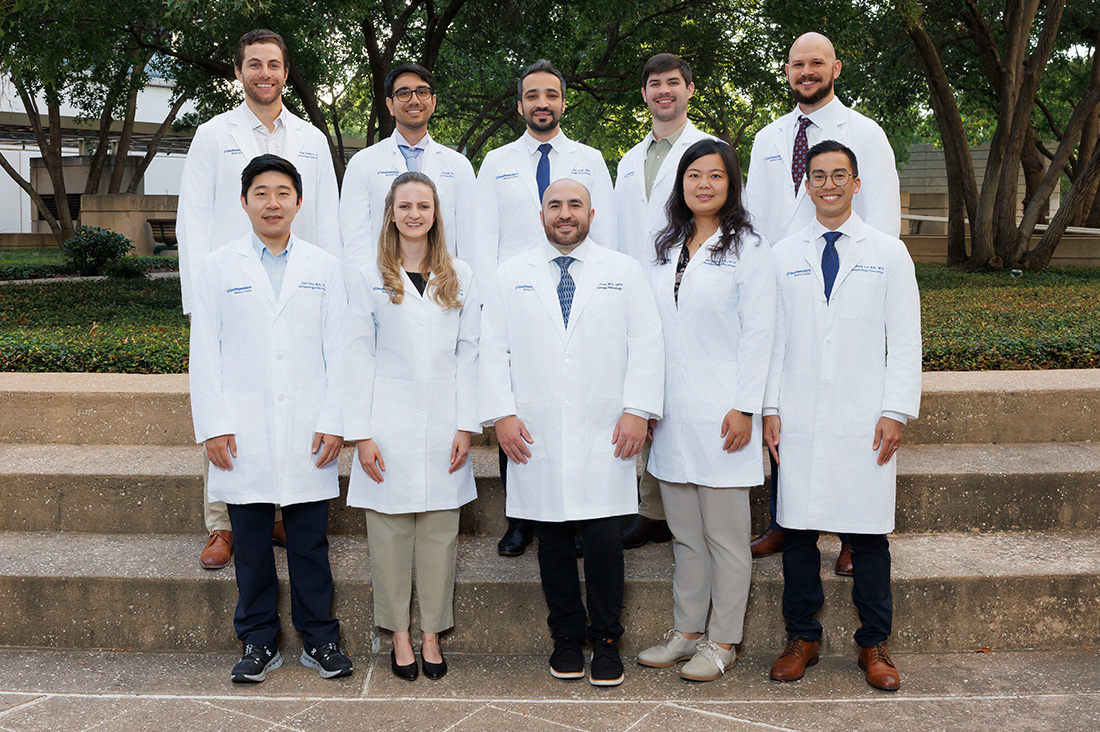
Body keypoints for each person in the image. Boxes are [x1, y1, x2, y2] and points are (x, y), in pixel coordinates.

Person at [479, 178, 663, 687]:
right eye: (554, 205)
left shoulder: (623, 271)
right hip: (534, 428)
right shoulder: (511, 274)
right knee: (553, 540)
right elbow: (491, 349)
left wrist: (638, 409)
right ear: (541, 215)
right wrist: (501, 414)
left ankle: (606, 640)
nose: (565, 213)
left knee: (604, 541)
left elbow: (647, 343)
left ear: (591, 213)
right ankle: (565, 636)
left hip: (606, 429)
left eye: (574, 204)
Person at [177, 29, 342, 570]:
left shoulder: (311, 139)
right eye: (254, 64)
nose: (264, 73)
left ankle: (281, 510)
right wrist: (199, 302)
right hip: (230, 292)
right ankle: (222, 523)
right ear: (239, 72)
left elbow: (328, 221)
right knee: (231, 401)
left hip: (301, 287)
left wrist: (335, 294)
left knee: (292, 395)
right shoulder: (212, 135)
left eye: (273, 64)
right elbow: (192, 221)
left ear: (286, 73)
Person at [762, 140, 921, 692]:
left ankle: (874, 643)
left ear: (856, 183)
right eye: (818, 175)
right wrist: (770, 408)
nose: (828, 184)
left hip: (864, 415)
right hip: (798, 413)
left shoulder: (888, 253)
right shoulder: (782, 255)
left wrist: (895, 410)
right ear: (806, 185)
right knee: (798, 533)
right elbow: (773, 338)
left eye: (839, 175)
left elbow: (905, 339)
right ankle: (801, 637)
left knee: (869, 535)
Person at [188, 154, 353, 683]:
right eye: (261, 193)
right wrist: (213, 425)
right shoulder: (217, 267)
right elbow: (204, 353)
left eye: (283, 193)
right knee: (253, 545)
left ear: (299, 202)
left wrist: (334, 418)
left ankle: (320, 637)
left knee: (309, 542)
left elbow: (340, 350)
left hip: (309, 424)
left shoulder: (325, 267)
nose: (272, 203)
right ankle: (258, 638)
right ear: (244, 202)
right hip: (242, 427)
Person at [743, 31, 901, 572]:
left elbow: (883, 219)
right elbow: (754, 218)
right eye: (797, 64)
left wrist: (871, 285)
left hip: (849, 281)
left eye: (817, 63)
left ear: (835, 68)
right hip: (781, 283)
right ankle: (785, 521)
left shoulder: (866, 134)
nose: (806, 72)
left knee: (847, 410)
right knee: (786, 407)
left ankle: (855, 533)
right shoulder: (768, 137)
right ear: (787, 71)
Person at [636, 140, 775, 682]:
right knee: (686, 536)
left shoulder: (749, 248)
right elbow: (650, 331)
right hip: (672, 412)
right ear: (681, 184)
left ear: (731, 184)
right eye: (694, 174)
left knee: (725, 538)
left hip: (724, 413)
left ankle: (723, 641)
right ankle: (687, 632)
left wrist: (745, 407)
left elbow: (760, 332)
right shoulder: (665, 245)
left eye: (715, 175)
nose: (703, 184)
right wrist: (646, 402)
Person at [473, 59, 616, 557]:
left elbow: (608, 234)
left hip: (579, 295)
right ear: (520, 105)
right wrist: (491, 307)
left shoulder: (590, 160)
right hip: (519, 303)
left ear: (563, 103)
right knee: (520, 407)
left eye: (551, 95)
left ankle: (575, 517)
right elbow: (482, 239)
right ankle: (520, 520)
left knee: (574, 405)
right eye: (532, 95)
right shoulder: (496, 162)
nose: (542, 103)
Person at [343, 172, 480, 682]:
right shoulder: (368, 276)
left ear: (436, 212)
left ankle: (432, 634)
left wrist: (466, 425)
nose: (414, 214)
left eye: (424, 205)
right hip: (387, 421)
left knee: (441, 534)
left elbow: (471, 352)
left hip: (446, 421)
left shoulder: (461, 274)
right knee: (390, 533)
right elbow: (357, 354)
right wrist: (362, 434)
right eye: (405, 206)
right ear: (392, 213)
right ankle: (399, 634)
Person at [614, 52, 715, 550]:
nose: (664, 91)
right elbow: (619, 229)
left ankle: (671, 506)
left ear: (689, 89)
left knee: (681, 395)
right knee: (644, 393)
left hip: (687, 284)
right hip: (637, 288)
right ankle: (651, 508)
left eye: (673, 82)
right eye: (654, 84)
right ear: (644, 94)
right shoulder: (629, 160)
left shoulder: (708, 149)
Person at [339, 63, 476, 276]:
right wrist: (365, 290)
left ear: (433, 102)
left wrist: (462, 286)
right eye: (404, 93)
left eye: (422, 92)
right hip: (382, 283)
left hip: (442, 283)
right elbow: (354, 240)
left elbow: (470, 240)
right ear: (390, 105)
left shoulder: (459, 166)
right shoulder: (362, 163)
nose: (414, 100)